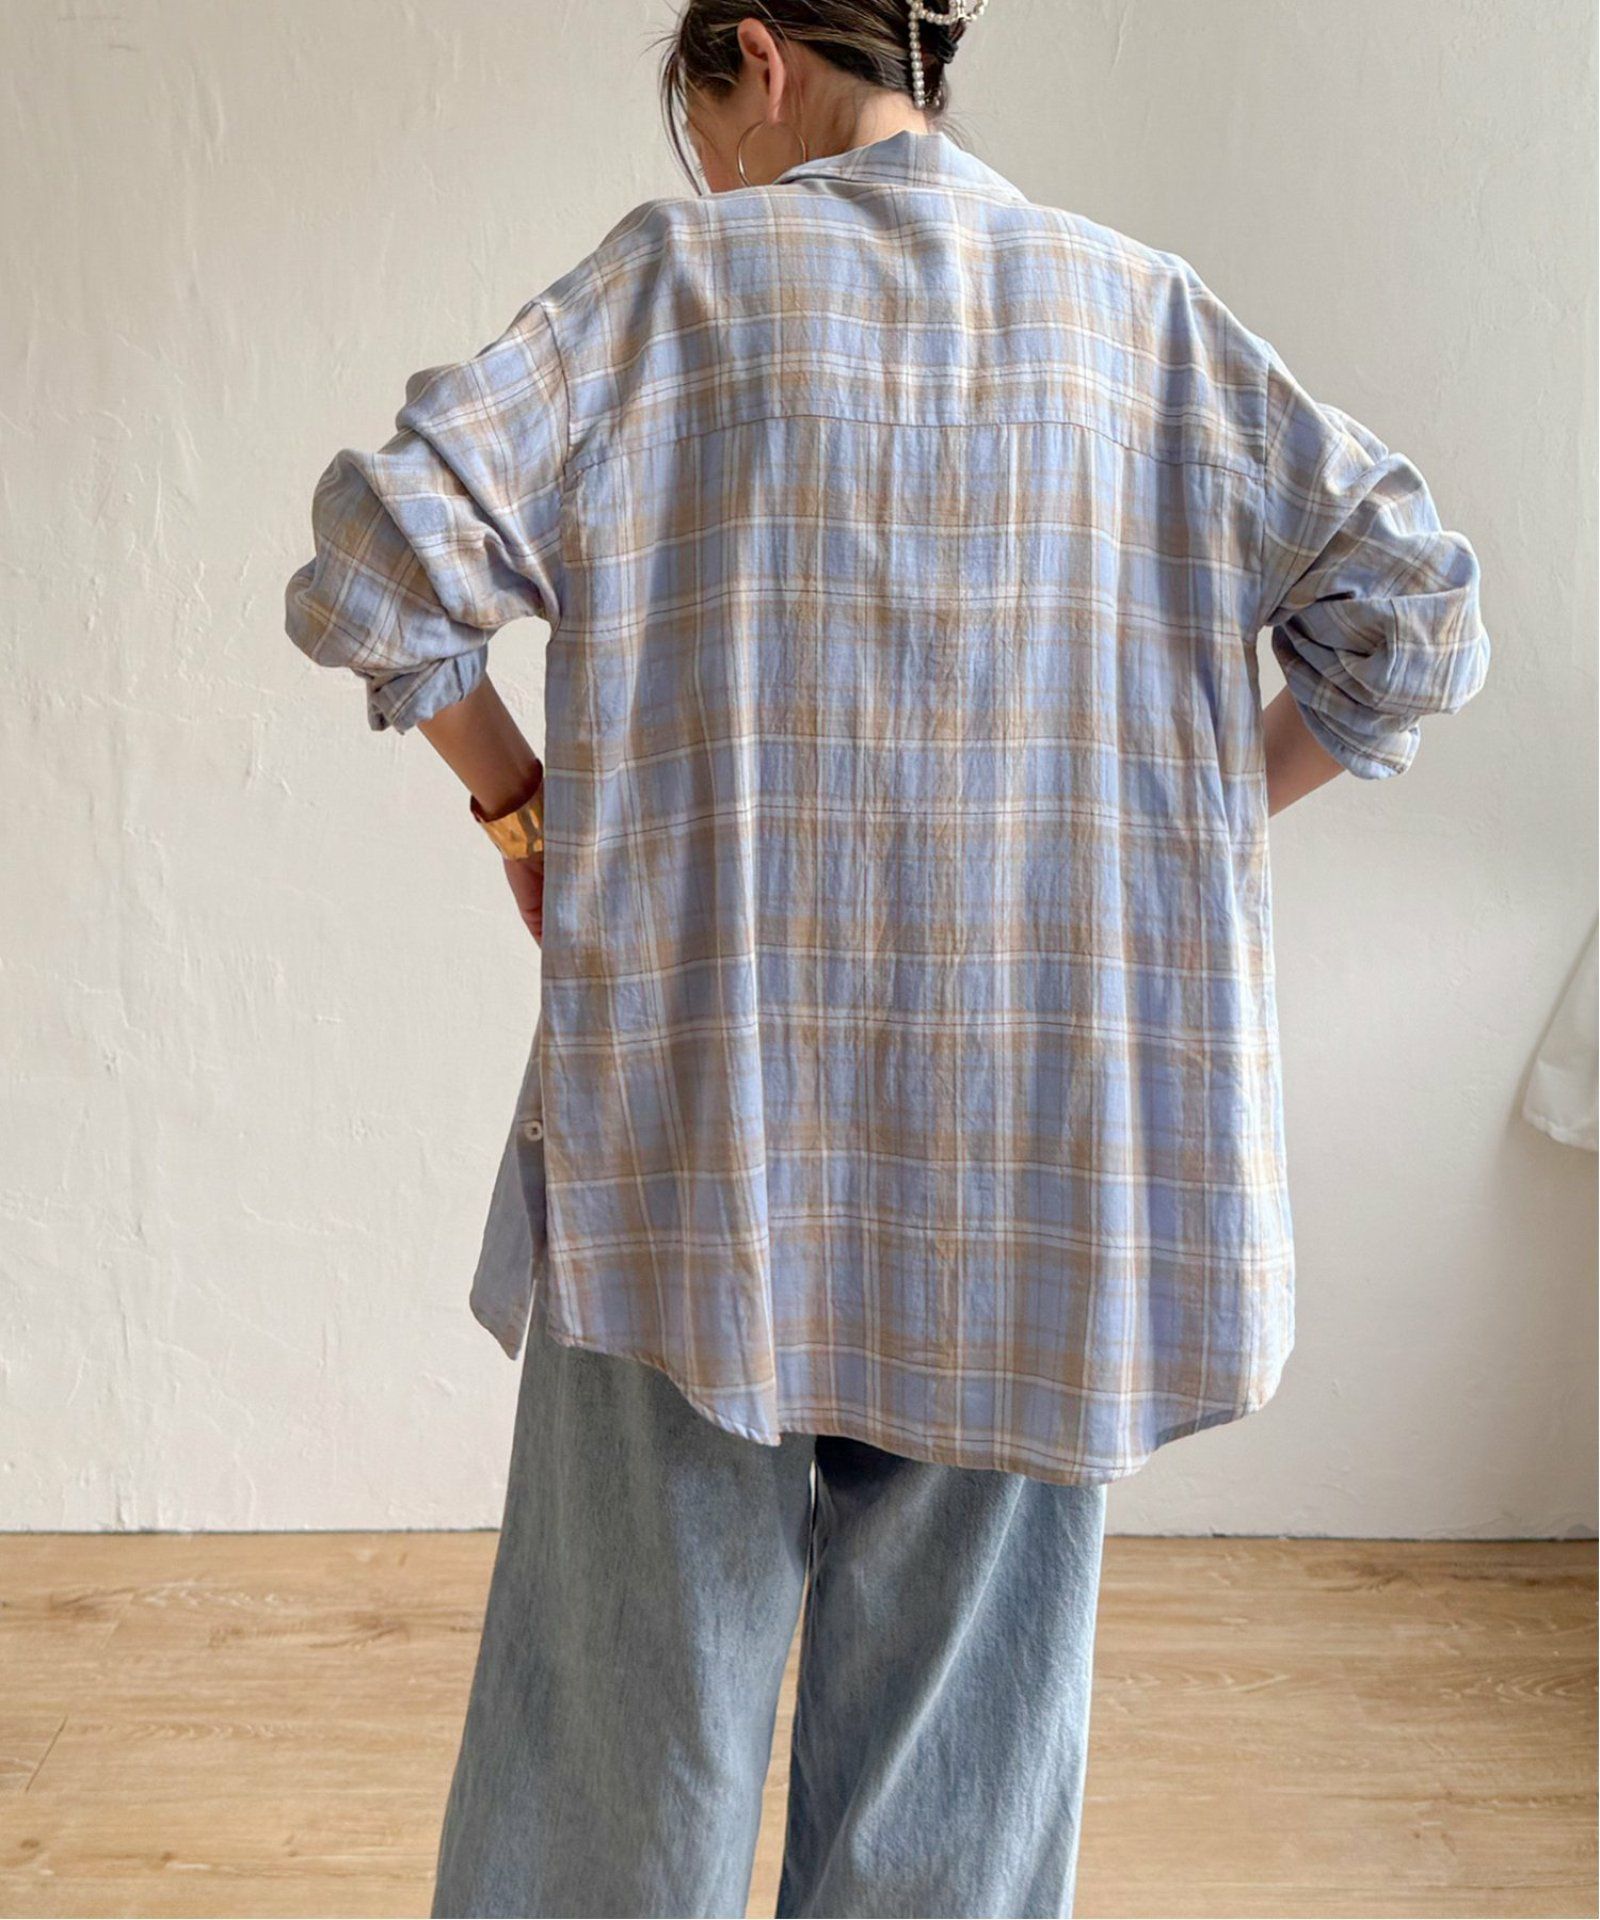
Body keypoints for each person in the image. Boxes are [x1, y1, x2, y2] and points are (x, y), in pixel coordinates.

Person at [282, 3, 1491, 1914]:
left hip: (697, 1152)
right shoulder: (1141, 318)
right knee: (957, 1804)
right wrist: (1175, 834)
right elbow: (1413, 619)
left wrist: (524, 813)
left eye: (706, 131)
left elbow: (373, 571)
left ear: (755, 60)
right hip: (1036, 1175)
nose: (714, 179)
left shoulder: (671, 290)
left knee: (616, 1765)